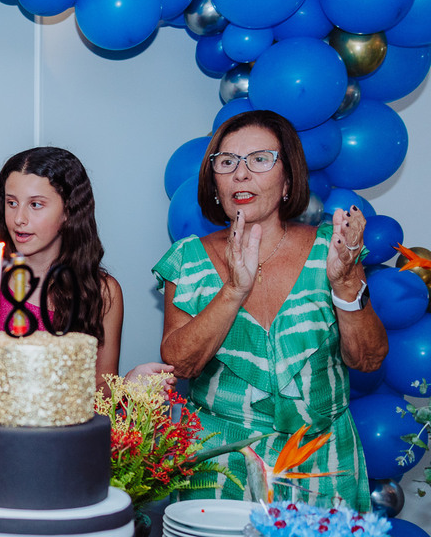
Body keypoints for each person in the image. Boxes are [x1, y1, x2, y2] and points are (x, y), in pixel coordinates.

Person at [154, 109, 387, 510]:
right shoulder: (188, 258)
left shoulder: (331, 249)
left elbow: (367, 359)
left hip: (323, 463)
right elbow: (181, 365)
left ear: (288, 181)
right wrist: (233, 290)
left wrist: (347, 284)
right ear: (214, 182)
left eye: (260, 159)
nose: (241, 174)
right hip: (220, 465)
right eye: (227, 162)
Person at [0, 147, 172, 395]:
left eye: (35, 204)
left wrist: (127, 385)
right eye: (11, 203)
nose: (19, 218)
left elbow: (98, 392)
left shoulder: (102, 292)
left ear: (69, 211)